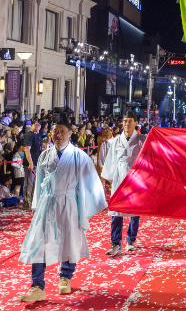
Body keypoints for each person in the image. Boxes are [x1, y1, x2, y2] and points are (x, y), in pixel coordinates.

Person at [18, 108, 107, 303]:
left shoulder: (78, 156)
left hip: (68, 202)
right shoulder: (44, 155)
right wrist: (37, 207)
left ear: (69, 133)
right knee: (38, 243)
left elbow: (90, 181)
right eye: (54, 131)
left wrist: (94, 204)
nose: (57, 135)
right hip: (47, 203)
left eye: (61, 131)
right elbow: (40, 182)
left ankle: (65, 277)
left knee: (70, 240)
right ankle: (37, 286)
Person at [101, 111, 146, 255]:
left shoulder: (141, 139)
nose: (127, 124)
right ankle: (115, 243)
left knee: (135, 211)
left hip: (135, 178)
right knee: (116, 211)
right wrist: (108, 178)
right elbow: (111, 159)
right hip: (119, 177)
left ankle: (131, 240)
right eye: (125, 121)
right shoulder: (116, 141)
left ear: (136, 122)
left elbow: (147, 158)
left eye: (130, 121)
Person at [22, 120, 40, 209]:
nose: (37, 127)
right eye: (36, 125)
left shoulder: (37, 135)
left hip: (36, 162)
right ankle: (27, 202)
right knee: (29, 183)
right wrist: (30, 163)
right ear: (31, 125)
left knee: (33, 183)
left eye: (39, 125)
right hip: (30, 162)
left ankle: (32, 201)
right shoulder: (29, 135)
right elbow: (27, 150)